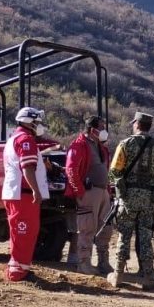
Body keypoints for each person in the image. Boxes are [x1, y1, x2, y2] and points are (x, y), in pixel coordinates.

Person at [107, 111, 154, 290]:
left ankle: (118, 274)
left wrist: (121, 190)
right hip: (149, 199)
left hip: (128, 198)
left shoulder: (126, 144)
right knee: (145, 236)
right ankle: (148, 276)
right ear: (149, 126)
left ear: (136, 124)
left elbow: (114, 171)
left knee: (124, 235)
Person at [1, 106, 51, 282]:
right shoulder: (25, 139)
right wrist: (36, 191)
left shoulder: (15, 138)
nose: (39, 125)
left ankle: (20, 269)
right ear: (29, 121)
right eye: (37, 121)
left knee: (22, 232)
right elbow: (27, 168)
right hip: (23, 194)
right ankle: (17, 273)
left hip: (17, 193)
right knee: (24, 232)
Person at [65, 115, 113, 275]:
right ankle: (84, 263)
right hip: (89, 192)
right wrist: (79, 191)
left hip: (103, 191)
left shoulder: (100, 146)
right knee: (87, 228)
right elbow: (71, 169)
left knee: (105, 227)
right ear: (93, 130)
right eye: (101, 127)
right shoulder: (79, 145)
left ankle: (103, 262)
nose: (104, 131)